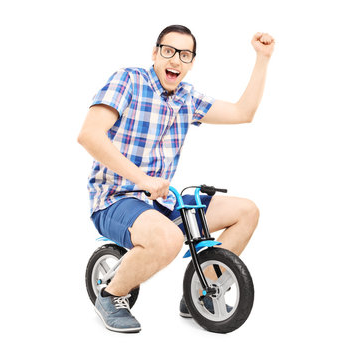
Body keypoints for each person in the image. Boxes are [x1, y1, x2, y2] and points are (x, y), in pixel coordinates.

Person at [78, 25, 274, 333]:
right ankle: (110, 294)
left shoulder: (187, 98)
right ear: (155, 53)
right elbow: (89, 135)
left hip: (161, 200)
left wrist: (262, 58)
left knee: (246, 211)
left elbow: (242, 112)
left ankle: (199, 290)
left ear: (191, 62)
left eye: (185, 55)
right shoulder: (128, 80)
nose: (176, 60)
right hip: (116, 198)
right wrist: (142, 179)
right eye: (168, 51)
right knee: (168, 237)